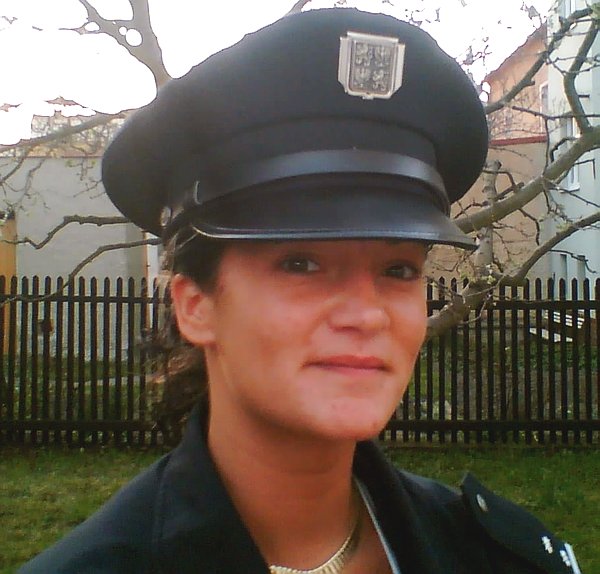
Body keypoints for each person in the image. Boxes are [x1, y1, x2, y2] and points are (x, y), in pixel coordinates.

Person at [19, 8, 582, 574]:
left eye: (398, 270)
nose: (367, 315)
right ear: (195, 306)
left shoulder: (496, 557)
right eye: (300, 263)